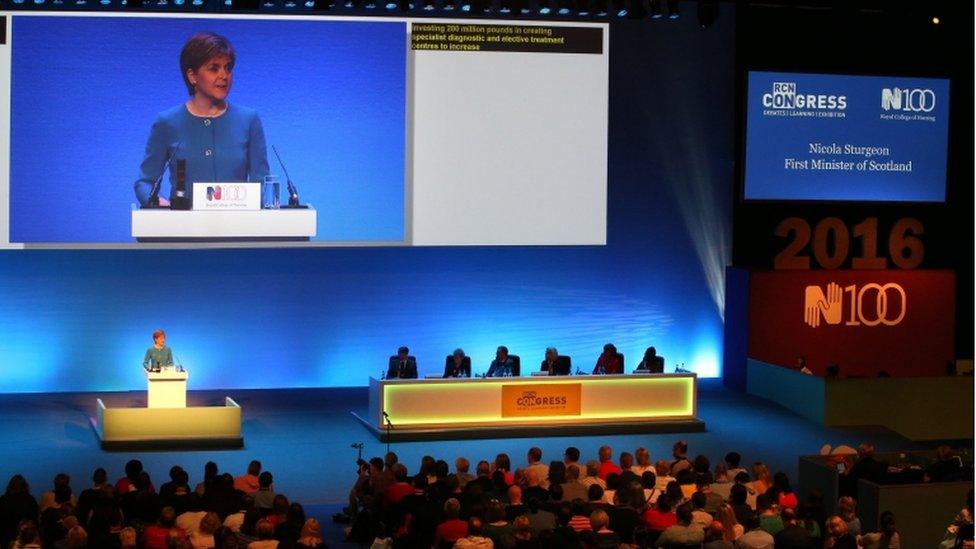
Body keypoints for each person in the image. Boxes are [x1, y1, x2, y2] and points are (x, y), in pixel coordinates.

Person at [134, 32, 269, 208]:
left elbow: (261, 181)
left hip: (237, 228)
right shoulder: (167, 122)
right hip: (183, 229)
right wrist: (159, 203)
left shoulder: (249, 120)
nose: (224, 75)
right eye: (214, 68)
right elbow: (145, 183)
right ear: (192, 76)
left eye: (228, 68)